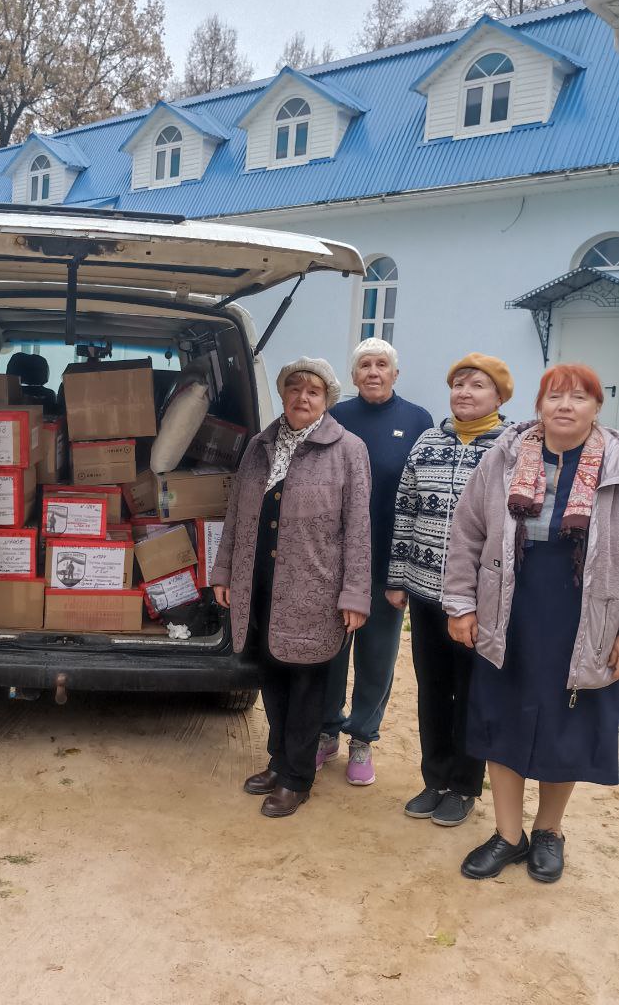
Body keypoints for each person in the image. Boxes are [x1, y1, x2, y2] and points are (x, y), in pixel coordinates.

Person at [444, 364, 619, 883]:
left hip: (584, 617)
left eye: (579, 397)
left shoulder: (614, 464)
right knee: (503, 717)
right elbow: (467, 532)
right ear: (539, 405)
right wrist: (461, 604)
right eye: (554, 396)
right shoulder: (504, 456)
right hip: (508, 611)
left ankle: (548, 831)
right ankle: (507, 835)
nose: (565, 406)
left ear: (597, 407)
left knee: (566, 724)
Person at [212, 357, 371, 817]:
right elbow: (237, 515)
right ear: (282, 394)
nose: (303, 398)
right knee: (273, 674)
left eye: (313, 392)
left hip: (315, 587)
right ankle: (278, 762)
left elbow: (358, 527)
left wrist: (355, 593)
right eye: (294, 388)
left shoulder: (348, 449)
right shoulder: (260, 446)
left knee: (306, 681)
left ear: (327, 400)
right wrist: (224, 571)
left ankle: (297, 778)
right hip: (260, 581)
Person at [386, 354, 513, 827]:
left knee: (472, 692)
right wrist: (397, 577)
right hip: (424, 591)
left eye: (477, 385)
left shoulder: (512, 450)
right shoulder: (427, 442)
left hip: (480, 600)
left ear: (499, 396)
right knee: (433, 689)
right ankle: (435, 779)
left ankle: (464, 785)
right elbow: (406, 510)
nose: (464, 392)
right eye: (458, 384)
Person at [319, 339, 433, 786]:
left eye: (381, 364)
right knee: (330, 652)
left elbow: (421, 498)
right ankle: (326, 731)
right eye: (364, 364)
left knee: (378, 656)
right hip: (335, 562)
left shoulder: (418, 420)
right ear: (353, 375)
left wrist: (404, 573)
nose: (373, 371)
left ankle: (362, 738)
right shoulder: (335, 417)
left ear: (395, 374)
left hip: (388, 562)